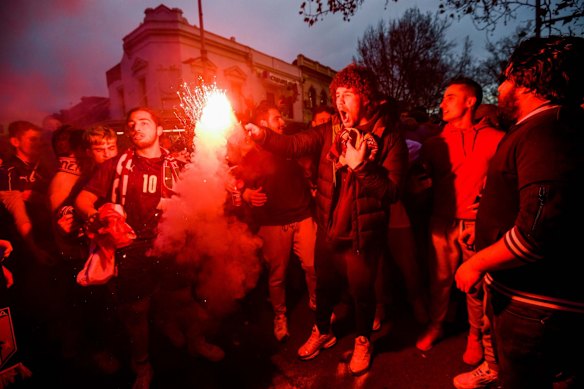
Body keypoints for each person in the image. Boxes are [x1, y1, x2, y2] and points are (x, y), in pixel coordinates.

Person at [246, 63, 408, 375]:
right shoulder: (330, 132)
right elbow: (292, 144)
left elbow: (392, 192)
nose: (340, 102)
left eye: (349, 95)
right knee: (323, 288)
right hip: (328, 231)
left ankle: (363, 341)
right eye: (338, 95)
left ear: (367, 98)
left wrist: (362, 167)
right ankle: (323, 331)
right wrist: (263, 135)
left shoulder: (388, 138)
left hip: (362, 237)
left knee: (362, 295)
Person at [454, 36, 584, 388]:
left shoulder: (545, 131)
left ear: (526, 81)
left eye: (505, 78)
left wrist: (476, 262)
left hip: (535, 308)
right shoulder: (540, 128)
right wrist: (486, 222)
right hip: (527, 300)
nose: (500, 87)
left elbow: (535, 231)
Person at [75, 107, 223, 389]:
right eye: (132, 124)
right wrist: (101, 216)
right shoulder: (117, 165)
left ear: (159, 130)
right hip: (132, 247)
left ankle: (196, 342)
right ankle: (141, 365)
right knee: (137, 311)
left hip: (172, 242)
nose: (136, 127)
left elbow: (198, 201)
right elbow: (83, 200)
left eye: (144, 122)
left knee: (183, 299)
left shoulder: (176, 164)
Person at [416, 77, 504, 368]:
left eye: (450, 97)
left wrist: (491, 195)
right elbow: (421, 180)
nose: (442, 103)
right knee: (439, 280)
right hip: (441, 221)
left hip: (476, 225)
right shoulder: (434, 143)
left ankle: (475, 336)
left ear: (470, 101)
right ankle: (436, 325)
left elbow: (508, 181)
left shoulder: (496, 139)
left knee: (476, 284)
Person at [237, 101, 318, 342]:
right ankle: (280, 316)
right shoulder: (251, 155)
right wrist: (246, 195)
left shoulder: (290, 145)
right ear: (262, 124)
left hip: (303, 216)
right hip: (272, 224)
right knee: (277, 275)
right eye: (276, 119)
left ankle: (318, 303)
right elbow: (237, 183)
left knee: (313, 267)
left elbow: (309, 170)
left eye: (281, 118)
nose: (282, 122)